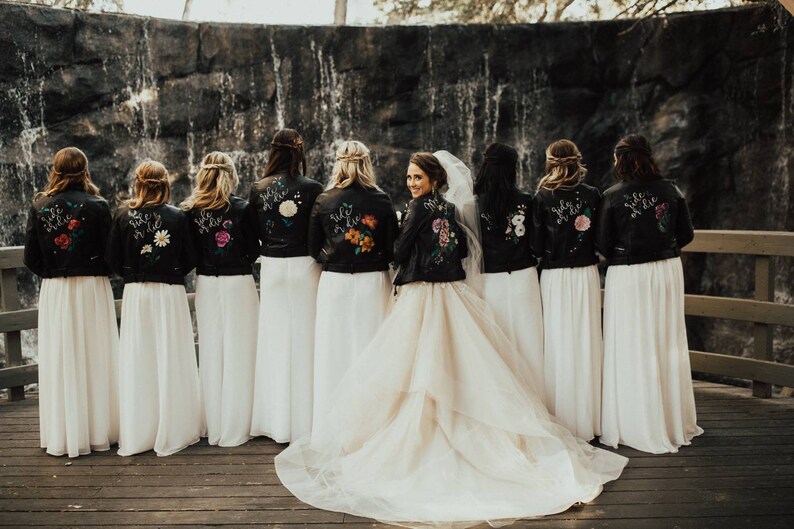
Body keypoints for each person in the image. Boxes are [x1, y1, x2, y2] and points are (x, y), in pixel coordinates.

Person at [275, 150, 628, 528]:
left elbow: (399, 249)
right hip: (452, 291)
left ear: (432, 179)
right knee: (461, 363)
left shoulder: (415, 208)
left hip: (422, 293)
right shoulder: (448, 208)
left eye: (416, 178)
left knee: (414, 366)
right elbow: (460, 249)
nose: (411, 183)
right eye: (409, 178)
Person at [597, 133, 703, 454]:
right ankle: (671, 421)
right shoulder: (670, 190)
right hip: (666, 270)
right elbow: (686, 233)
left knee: (631, 341)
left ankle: (636, 421)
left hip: (628, 273)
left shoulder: (612, 195)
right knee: (665, 339)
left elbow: (601, 242)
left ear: (621, 160)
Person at [24, 146, 119, 458]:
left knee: (62, 355)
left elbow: (31, 257)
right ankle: (99, 429)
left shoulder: (40, 205)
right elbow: (111, 253)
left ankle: (64, 432)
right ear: (85, 169)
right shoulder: (98, 205)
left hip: (57, 290)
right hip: (92, 286)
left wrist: (54, 273)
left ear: (56, 169)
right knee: (96, 353)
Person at [107, 160, 202, 457]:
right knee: (170, 353)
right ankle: (175, 425)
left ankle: (140, 429)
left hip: (136, 292)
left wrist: (132, 273)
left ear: (138, 183)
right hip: (169, 291)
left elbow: (111, 258)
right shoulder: (177, 216)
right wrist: (171, 272)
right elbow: (191, 256)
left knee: (140, 355)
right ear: (165, 184)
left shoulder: (123, 214)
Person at [308, 140, 398, 430]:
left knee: (334, 350)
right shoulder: (382, 199)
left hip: (335, 282)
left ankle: (333, 423)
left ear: (339, 163)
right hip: (373, 280)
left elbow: (313, 248)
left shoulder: (324, 199)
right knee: (373, 348)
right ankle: (373, 422)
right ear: (366, 163)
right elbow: (391, 247)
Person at [249, 129, 324, 443]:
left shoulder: (258, 188)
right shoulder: (312, 188)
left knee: (275, 341)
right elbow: (317, 232)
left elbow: (253, 233)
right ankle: (307, 419)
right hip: (305, 264)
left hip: (273, 266)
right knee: (306, 339)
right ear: (299, 151)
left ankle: (276, 420)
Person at [182, 152, 260, 447]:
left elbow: (189, 253)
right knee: (241, 350)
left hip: (207, 283)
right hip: (238, 281)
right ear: (231, 174)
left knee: (212, 350)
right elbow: (254, 248)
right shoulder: (242, 208)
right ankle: (240, 421)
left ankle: (214, 422)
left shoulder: (190, 210)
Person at [532, 139, 603, 441]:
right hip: (586, 272)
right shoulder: (593, 195)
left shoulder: (542, 196)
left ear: (550, 162)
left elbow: (535, 244)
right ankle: (591, 417)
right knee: (586, 338)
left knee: (558, 341)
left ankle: (561, 418)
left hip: (555, 275)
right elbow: (600, 238)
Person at [474, 142, 545, 402]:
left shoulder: (474, 204)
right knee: (529, 343)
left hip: (489, 280)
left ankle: (500, 403)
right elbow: (537, 244)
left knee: (496, 345)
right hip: (523, 276)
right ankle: (536, 401)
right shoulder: (526, 200)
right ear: (513, 168)